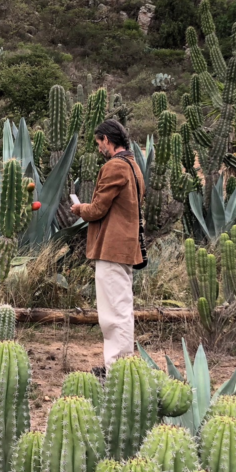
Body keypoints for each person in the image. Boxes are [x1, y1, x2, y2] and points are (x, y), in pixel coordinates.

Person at [70, 119, 145, 377]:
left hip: (111, 247)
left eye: (99, 143)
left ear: (108, 141)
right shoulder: (134, 166)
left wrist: (79, 209)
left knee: (113, 313)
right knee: (121, 308)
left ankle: (116, 372)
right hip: (126, 247)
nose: (99, 148)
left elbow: (98, 209)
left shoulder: (115, 166)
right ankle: (121, 367)